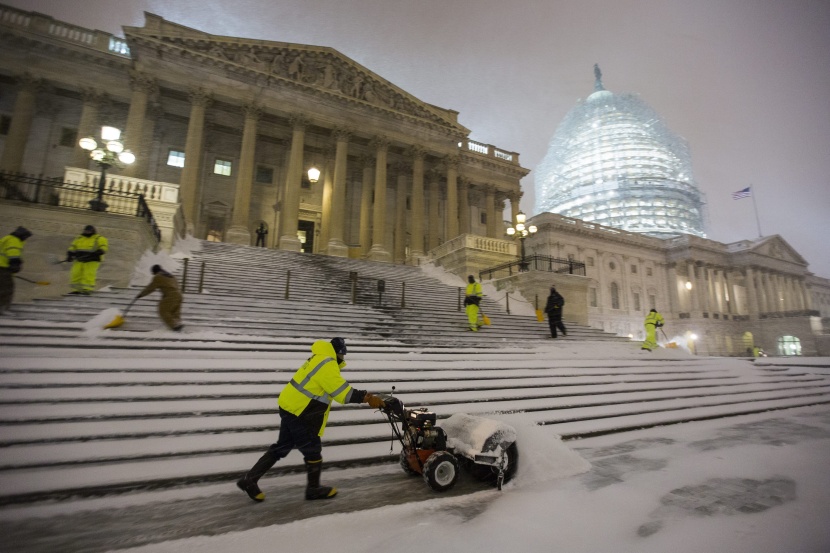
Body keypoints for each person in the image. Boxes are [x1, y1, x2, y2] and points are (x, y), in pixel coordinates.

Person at [237, 337, 386, 502]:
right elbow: (342, 393)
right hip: (301, 412)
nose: (344, 359)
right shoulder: (327, 363)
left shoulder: (319, 357)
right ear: (339, 353)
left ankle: (250, 479)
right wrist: (368, 398)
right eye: (343, 355)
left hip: (290, 407)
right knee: (313, 450)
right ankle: (313, 489)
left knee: (282, 446)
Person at [135, 265, 183, 331]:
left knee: (163, 310)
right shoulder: (171, 276)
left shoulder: (158, 277)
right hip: (179, 295)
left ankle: (174, 325)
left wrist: (141, 294)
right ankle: (178, 324)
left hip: (171, 295)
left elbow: (150, 288)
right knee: (174, 312)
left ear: (154, 271)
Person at [0, 226, 32, 316]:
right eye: (26, 237)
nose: (25, 239)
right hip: (3, 268)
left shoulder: (6, 238)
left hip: (2, 267)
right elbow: (13, 253)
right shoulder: (14, 240)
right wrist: (15, 264)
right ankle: (3, 308)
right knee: (6, 289)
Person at [67, 225, 108, 295]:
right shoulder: (79, 238)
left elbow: (103, 247)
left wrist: (99, 252)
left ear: (93, 231)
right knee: (75, 274)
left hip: (92, 260)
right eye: (86, 231)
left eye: (89, 231)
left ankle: (87, 289)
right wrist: (70, 255)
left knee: (88, 274)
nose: (87, 232)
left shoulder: (99, 238)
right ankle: (76, 290)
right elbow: (72, 247)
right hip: (79, 259)